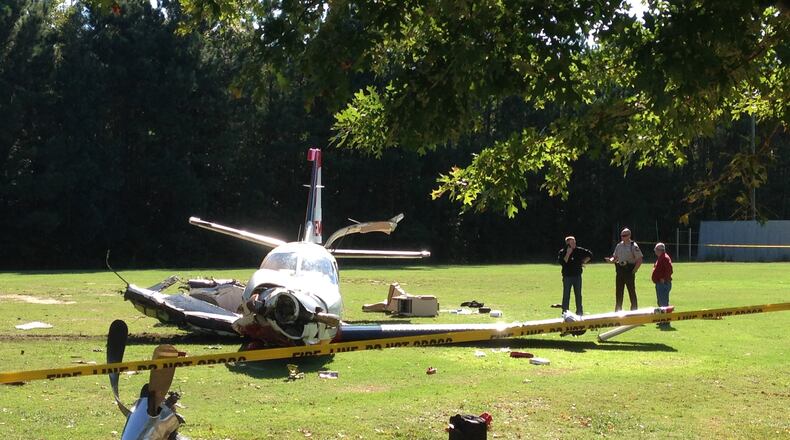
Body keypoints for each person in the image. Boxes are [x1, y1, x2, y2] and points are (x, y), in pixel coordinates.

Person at [606, 228, 643, 311]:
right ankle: (618, 310)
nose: (623, 237)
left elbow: (639, 259)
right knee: (619, 292)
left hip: (629, 270)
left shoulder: (633, 246)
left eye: (625, 235)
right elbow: (615, 257)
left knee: (631, 291)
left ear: (629, 235)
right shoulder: (619, 246)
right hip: (620, 270)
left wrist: (634, 270)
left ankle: (634, 310)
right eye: (622, 236)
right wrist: (611, 260)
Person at [557, 236, 593, 316]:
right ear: (567, 243)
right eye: (572, 242)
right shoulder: (562, 252)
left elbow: (590, 254)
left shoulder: (578, 250)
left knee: (578, 295)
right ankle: (565, 312)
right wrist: (568, 253)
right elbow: (563, 262)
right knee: (566, 295)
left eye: (574, 242)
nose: (574, 244)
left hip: (577, 276)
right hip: (567, 277)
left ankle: (579, 312)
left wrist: (583, 261)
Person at [652, 242, 673, 329]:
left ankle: (665, 320)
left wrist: (664, 278)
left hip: (663, 284)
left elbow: (670, 270)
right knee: (661, 302)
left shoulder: (664, 258)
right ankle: (662, 319)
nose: (655, 251)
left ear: (660, 250)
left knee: (664, 303)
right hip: (660, 283)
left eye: (656, 249)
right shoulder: (661, 257)